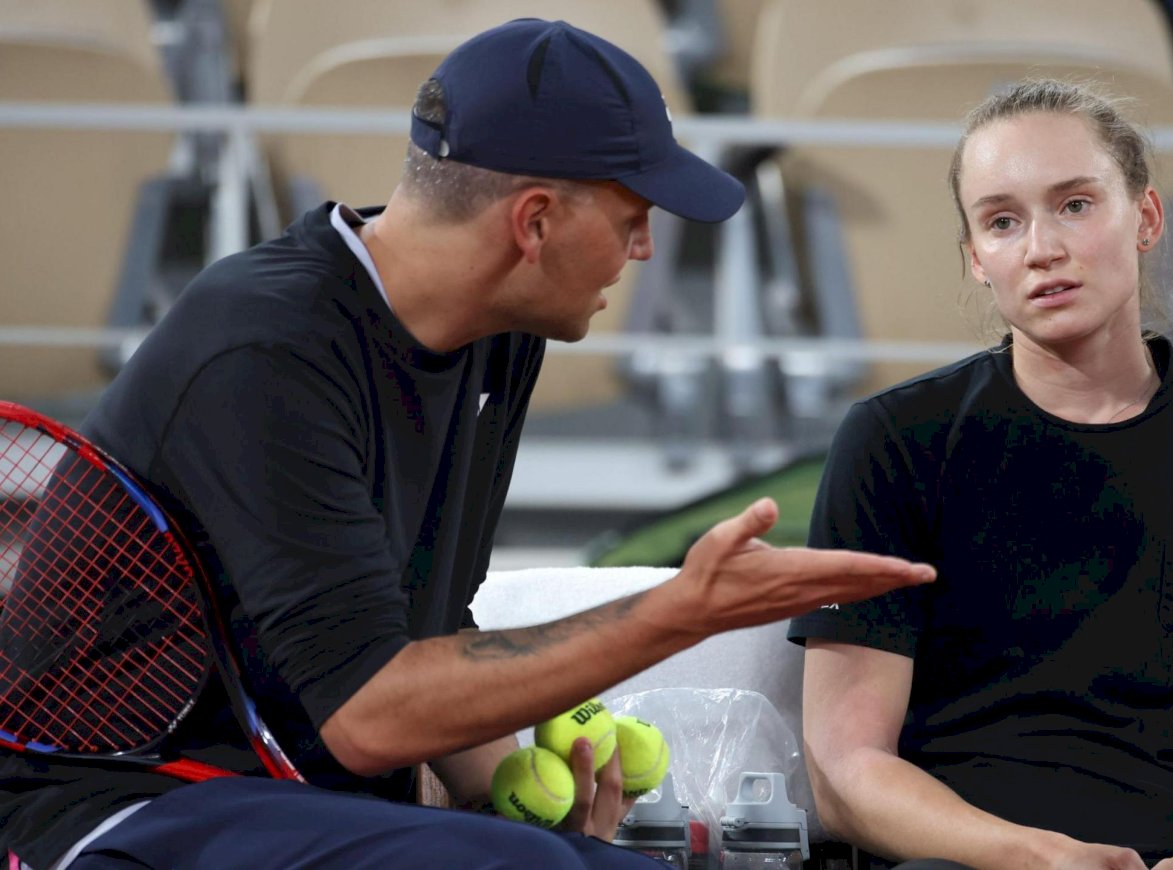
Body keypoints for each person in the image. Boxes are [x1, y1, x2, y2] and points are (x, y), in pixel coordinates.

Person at [0, 18, 937, 870]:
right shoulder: (261, 348)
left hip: (283, 802)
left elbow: (428, 633)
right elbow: (374, 715)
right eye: (631, 216)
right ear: (534, 222)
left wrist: (505, 789)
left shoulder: (502, 330)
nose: (645, 250)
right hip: (113, 805)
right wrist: (679, 612)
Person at [786, 79, 1173, 870]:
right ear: (975, 260)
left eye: (1075, 204)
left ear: (1146, 217)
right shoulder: (895, 440)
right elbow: (846, 770)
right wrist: (1030, 857)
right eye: (1002, 221)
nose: (1042, 248)